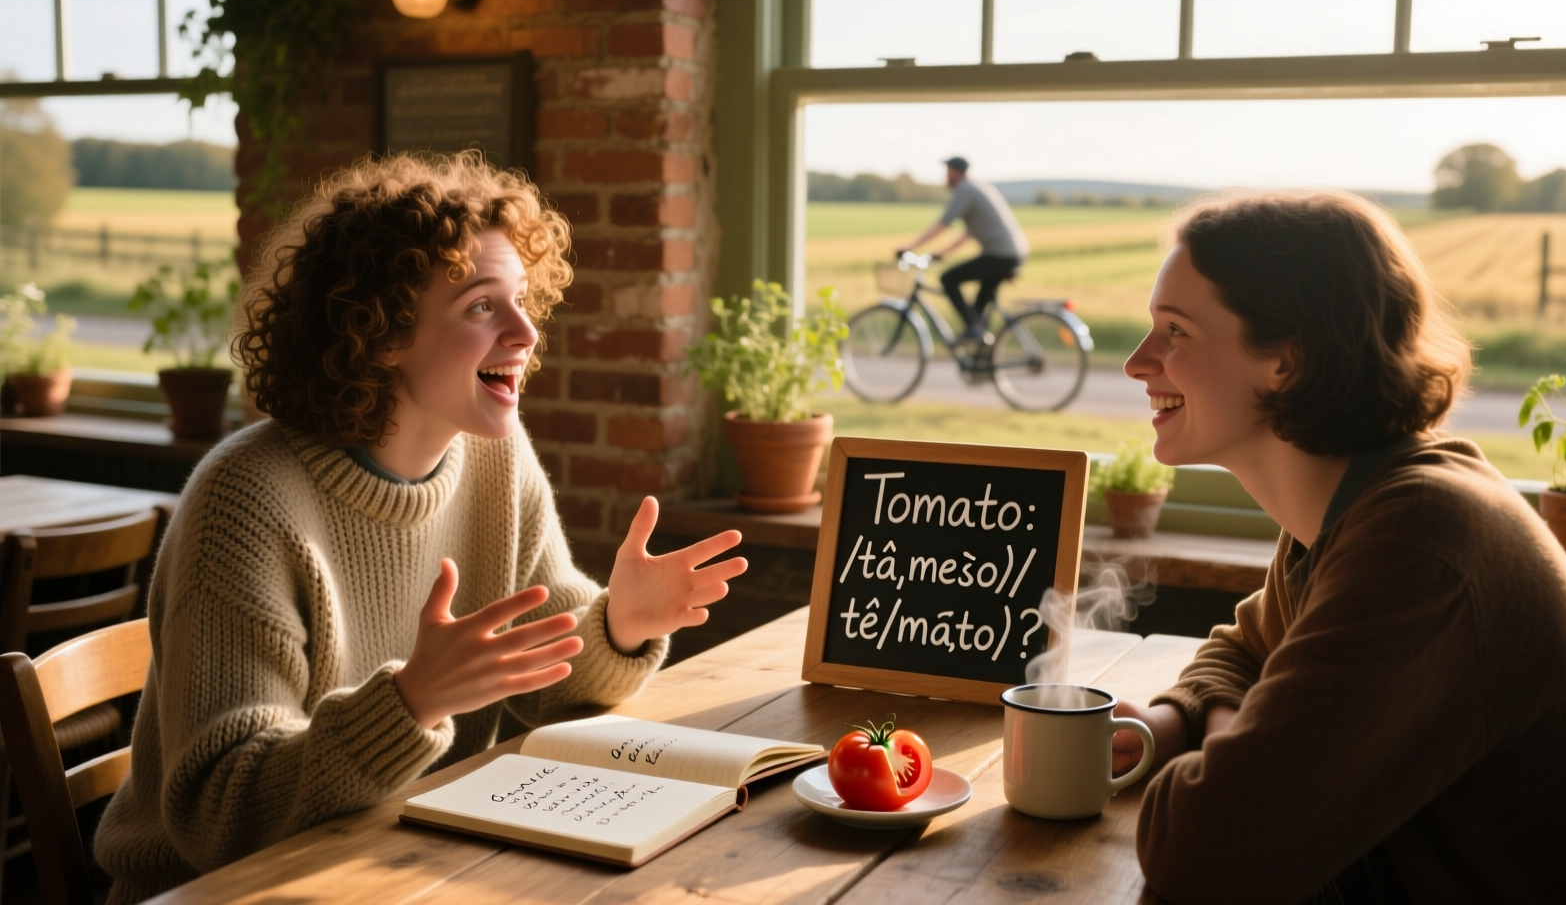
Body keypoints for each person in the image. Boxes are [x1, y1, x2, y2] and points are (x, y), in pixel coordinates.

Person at [93, 153, 747, 904]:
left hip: (411, 867)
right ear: (380, 334)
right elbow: (220, 815)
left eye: (523, 300)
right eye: (481, 306)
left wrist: (620, 625)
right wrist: (409, 704)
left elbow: (546, 687)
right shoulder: (246, 502)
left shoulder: (495, 460)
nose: (527, 331)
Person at [1113, 190, 1566, 901]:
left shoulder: (1419, 543)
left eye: (1176, 331)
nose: (1137, 362)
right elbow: (1247, 648)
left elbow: (1199, 850)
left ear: (1288, 359)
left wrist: (1229, 744)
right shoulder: (1358, 501)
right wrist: (1173, 719)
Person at [898, 156, 1030, 344]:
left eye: (948, 172)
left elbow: (943, 224)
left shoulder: (965, 190)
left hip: (1000, 255)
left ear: (957, 172)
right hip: (1011, 254)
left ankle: (974, 329)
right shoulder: (978, 187)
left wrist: (909, 247)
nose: (946, 176)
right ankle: (981, 350)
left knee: (949, 278)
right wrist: (943, 252)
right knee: (977, 310)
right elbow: (969, 233)